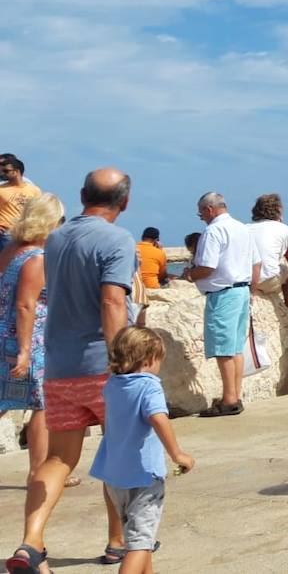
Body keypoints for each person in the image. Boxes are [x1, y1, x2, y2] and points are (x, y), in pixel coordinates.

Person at [9, 168, 134, 572]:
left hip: (60, 366)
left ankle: (31, 541)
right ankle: (117, 541)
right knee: (118, 452)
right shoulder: (117, 239)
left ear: (82, 195)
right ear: (125, 202)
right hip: (102, 365)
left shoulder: (57, 238)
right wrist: (122, 362)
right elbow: (113, 302)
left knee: (58, 459)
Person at [89, 326, 194, 574]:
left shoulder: (112, 384)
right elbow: (158, 418)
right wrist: (177, 454)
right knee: (140, 545)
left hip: (115, 478)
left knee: (139, 539)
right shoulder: (149, 386)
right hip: (144, 477)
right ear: (148, 359)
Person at [0, 195, 63, 486]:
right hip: (29, 339)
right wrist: (25, 350)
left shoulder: (10, 249)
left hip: (3, 334)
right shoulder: (37, 258)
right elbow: (26, 305)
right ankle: (39, 471)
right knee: (42, 404)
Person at [186, 192, 261, 418]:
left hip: (223, 293)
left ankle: (229, 400)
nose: (201, 217)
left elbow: (207, 266)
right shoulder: (243, 228)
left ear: (209, 209)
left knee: (223, 348)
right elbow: (256, 264)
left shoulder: (213, 231)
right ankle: (234, 395)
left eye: (201, 213)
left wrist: (190, 274)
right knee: (235, 347)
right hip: (241, 291)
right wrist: (253, 291)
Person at [248, 193, 288, 311]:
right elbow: (280, 255)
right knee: (285, 266)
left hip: (249, 280)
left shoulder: (246, 228)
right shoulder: (283, 228)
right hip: (268, 280)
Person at [0, 156, 41, 251]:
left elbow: (38, 211)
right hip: (7, 233)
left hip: (27, 233)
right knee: (9, 263)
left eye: (6, 171)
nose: (3, 174)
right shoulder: (1, 189)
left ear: (17, 171)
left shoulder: (34, 190)